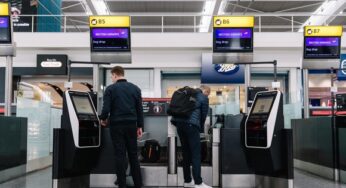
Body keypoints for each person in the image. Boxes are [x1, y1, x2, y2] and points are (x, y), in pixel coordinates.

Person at [99, 66, 143, 188]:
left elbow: (106, 108)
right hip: (131, 125)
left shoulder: (111, 89)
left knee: (120, 155)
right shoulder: (135, 89)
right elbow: (139, 110)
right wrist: (140, 126)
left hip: (117, 125)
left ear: (114, 74)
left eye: (111, 76)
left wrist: (102, 119)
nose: (111, 79)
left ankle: (122, 185)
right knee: (133, 155)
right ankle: (138, 184)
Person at [171, 85, 211, 188]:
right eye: (208, 93)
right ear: (205, 91)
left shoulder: (186, 94)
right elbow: (203, 115)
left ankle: (187, 181)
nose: (207, 95)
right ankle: (198, 183)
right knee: (196, 154)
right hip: (192, 126)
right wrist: (200, 129)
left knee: (186, 153)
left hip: (180, 125)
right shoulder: (203, 97)